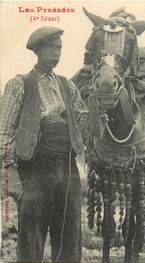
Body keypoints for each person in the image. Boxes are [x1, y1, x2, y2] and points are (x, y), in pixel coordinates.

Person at [0, 26, 85, 262]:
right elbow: (5, 131)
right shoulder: (20, 84)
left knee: (70, 236)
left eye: (59, 47)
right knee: (31, 237)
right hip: (35, 169)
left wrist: (100, 107)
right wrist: (11, 173)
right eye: (51, 47)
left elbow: (82, 120)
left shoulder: (68, 86)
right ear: (37, 50)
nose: (57, 52)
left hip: (68, 168)